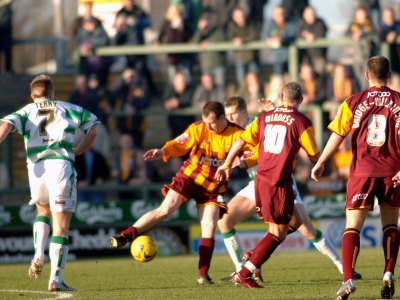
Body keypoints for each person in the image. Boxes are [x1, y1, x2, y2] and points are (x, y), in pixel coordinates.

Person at [217, 96, 361, 283]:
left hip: (279, 180)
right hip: (258, 183)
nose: (231, 118)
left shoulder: (258, 122)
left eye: (234, 113)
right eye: (228, 115)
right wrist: (226, 166)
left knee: (304, 228)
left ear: (244, 111)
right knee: (225, 221)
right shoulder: (232, 133)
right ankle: (242, 269)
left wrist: (243, 162)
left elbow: (270, 154)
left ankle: (342, 266)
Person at [108, 101, 254, 284]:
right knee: (166, 209)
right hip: (189, 177)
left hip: (213, 187)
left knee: (209, 225)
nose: (208, 127)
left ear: (222, 118)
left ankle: (203, 275)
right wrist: (163, 151)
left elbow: (250, 153)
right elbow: (179, 143)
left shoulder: (237, 134)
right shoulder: (198, 128)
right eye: (205, 122)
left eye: (211, 123)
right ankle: (125, 236)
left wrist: (240, 162)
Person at [311, 55, 400, 300]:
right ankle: (388, 273)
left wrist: (321, 161)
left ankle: (348, 279)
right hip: (393, 171)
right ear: (389, 76)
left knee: (352, 227)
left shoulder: (353, 101)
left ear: (367, 76)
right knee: (391, 225)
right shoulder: (399, 101)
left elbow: (338, 134)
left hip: (362, 171)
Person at [215, 82, 319, 289]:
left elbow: (241, 142)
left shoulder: (263, 118)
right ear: (302, 100)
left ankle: (251, 257)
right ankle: (245, 272)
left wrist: (227, 163)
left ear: (281, 96)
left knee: (293, 222)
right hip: (278, 181)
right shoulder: (302, 121)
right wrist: (320, 165)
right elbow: (313, 154)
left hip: (260, 180)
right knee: (278, 232)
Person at [0, 74, 99, 291]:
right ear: (52, 93)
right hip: (60, 164)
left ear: (32, 94)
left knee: (42, 211)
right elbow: (93, 128)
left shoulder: (26, 110)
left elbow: (6, 125)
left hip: (36, 168)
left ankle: (37, 254)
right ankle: (55, 278)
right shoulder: (68, 107)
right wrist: (80, 149)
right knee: (61, 226)